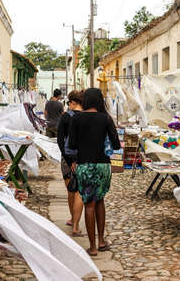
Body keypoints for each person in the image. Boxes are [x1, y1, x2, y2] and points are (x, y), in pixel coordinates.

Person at [68, 88, 120, 257]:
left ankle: (92, 247)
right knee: (100, 201)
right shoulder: (106, 118)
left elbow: (72, 145)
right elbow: (117, 145)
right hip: (103, 165)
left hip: (85, 165)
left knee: (89, 204)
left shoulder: (77, 119)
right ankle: (102, 240)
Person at [57, 90, 84, 237]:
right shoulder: (86, 116)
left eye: (69, 103)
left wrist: (68, 160)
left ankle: (73, 218)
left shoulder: (66, 117)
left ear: (73, 102)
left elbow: (60, 141)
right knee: (79, 191)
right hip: (83, 158)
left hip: (67, 158)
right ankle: (76, 223)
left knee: (71, 190)